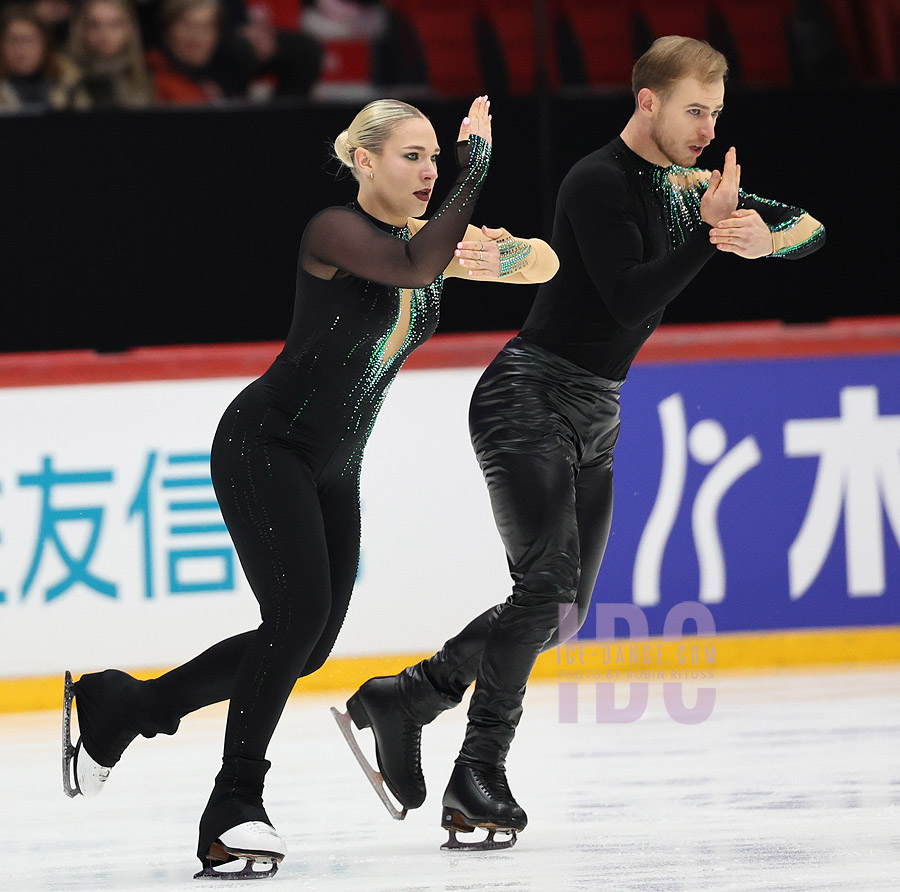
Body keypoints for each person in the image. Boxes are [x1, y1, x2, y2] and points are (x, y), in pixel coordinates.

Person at [339, 36, 826, 851]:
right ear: (648, 102)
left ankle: (410, 695)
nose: (707, 129)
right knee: (546, 587)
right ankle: (478, 770)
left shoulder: (691, 188)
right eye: (693, 111)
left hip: (597, 411)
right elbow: (630, 298)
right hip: (527, 396)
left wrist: (763, 240)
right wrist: (708, 237)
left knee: (560, 614)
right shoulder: (597, 181)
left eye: (715, 113)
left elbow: (810, 227)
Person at [62, 94, 560, 878]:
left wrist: (505, 253)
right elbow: (414, 267)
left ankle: (129, 707)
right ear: (364, 161)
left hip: (334, 467)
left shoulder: (431, 240)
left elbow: (545, 265)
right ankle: (233, 806)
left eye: (437, 158)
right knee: (294, 620)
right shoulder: (335, 232)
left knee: (308, 643)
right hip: (266, 446)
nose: (430, 171)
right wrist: (477, 172)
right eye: (412, 156)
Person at [66, 0, 154, 108]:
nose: (104, 35)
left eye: (114, 25)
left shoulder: (149, 77)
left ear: (129, 29)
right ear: (80, 29)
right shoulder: (63, 77)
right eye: (94, 25)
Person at [0, 4, 87, 111]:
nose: (21, 49)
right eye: (13, 40)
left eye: (29, 40)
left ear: (46, 44)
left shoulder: (69, 81)